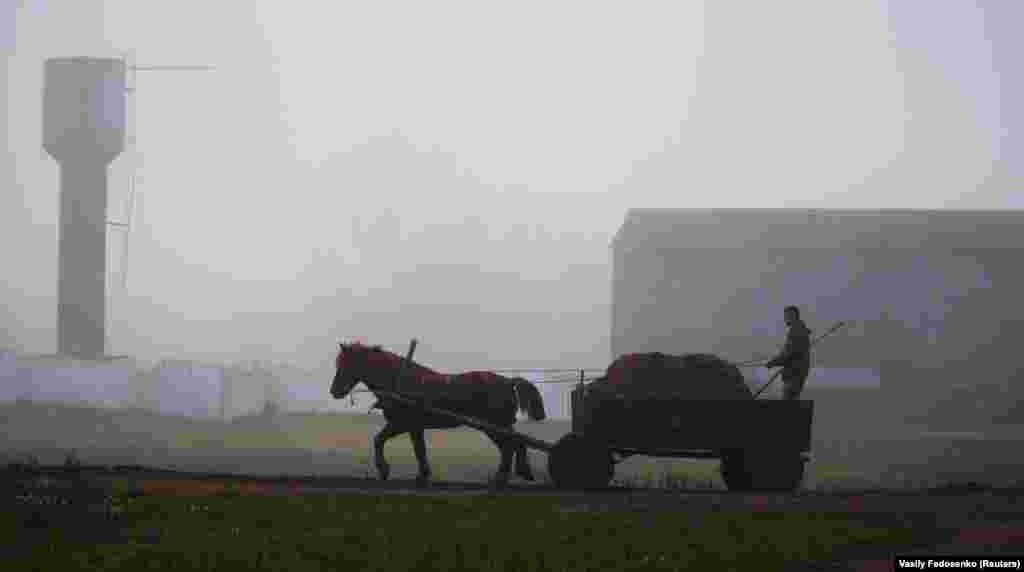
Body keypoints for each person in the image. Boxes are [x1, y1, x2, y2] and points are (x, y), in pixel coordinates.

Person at [765, 305, 812, 400]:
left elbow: (789, 353)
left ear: (793, 315)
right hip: (797, 373)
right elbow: (790, 352)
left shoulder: (796, 330)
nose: (784, 319)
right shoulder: (800, 329)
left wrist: (772, 363)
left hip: (793, 375)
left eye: (786, 316)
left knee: (786, 404)